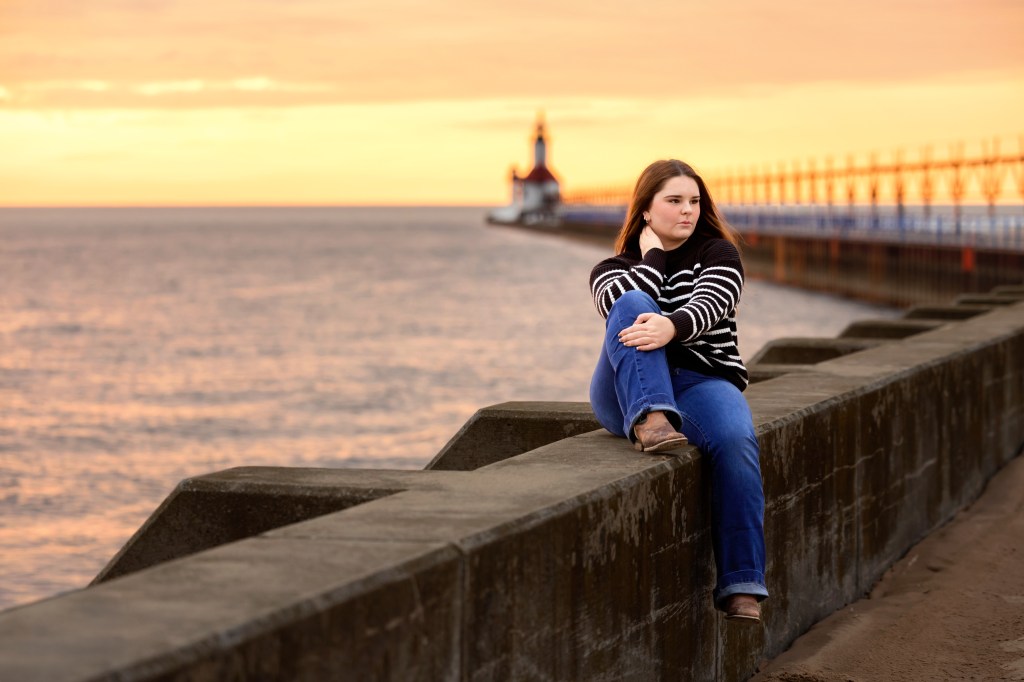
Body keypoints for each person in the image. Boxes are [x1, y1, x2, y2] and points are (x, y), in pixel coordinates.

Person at [588, 159, 767, 623]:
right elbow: (615, 305)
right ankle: (651, 417)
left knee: (737, 441)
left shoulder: (719, 254)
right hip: (624, 393)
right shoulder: (611, 268)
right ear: (645, 210)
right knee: (631, 300)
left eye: (694, 201)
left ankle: (742, 585)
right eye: (674, 200)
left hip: (701, 379)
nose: (688, 210)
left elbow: (714, 301)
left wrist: (672, 326)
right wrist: (652, 261)